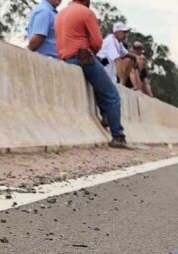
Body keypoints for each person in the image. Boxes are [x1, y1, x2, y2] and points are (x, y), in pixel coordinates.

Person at [55, 0, 127, 148]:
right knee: (112, 94)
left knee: (99, 88)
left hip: (65, 57)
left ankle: (106, 116)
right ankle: (118, 135)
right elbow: (97, 42)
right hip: (83, 56)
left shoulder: (61, 13)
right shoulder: (86, 12)